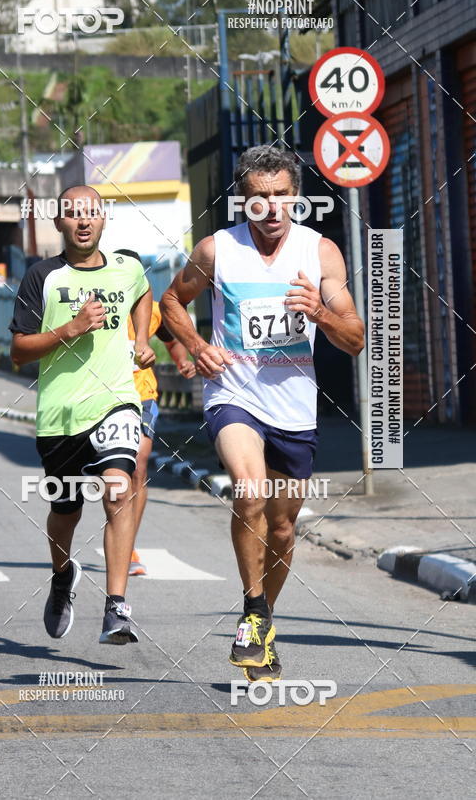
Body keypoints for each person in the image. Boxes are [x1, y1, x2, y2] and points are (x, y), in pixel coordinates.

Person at [160, 145, 364, 681]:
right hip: (234, 394)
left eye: (280, 196)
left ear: (296, 196)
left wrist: (318, 312)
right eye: (257, 198)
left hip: (294, 406)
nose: (270, 208)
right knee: (248, 492)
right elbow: (171, 302)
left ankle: (262, 622)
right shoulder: (215, 250)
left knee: (282, 530)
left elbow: (356, 338)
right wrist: (198, 346)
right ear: (241, 200)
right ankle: (252, 611)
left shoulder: (320, 254)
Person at [10, 185, 155, 645]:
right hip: (60, 415)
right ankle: (60, 575)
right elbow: (18, 350)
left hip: (116, 400)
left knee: (118, 489)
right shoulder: (42, 277)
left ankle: (116, 608)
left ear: (103, 219)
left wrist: (142, 340)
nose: (83, 221)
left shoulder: (126, 268)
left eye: (91, 212)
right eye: (73, 214)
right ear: (59, 223)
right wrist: (70, 329)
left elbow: (143, 292)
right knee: (65, 511)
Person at [116, 249, 196, 577]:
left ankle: (128, 545)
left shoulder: (153, 310)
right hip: (103, 398)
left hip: (143, 395)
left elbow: (170, 337)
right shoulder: (100, 307)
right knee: (116, 477)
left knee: (138, 467)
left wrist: (182, 361)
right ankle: (117, 533)